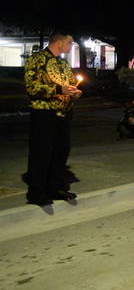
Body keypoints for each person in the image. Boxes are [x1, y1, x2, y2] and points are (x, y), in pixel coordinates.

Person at [24, 32, 82, 206]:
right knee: (41, 153)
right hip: (44, 113)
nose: (71, 45)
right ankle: (36, 192)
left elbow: (69, 84)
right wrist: (59, 91)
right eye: (69, 42)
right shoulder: (37, 59)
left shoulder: (63, 63)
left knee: (61, 150)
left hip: (63, 114)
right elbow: (32, 88)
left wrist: (74, 92)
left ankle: (54, 187)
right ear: (58, 42)